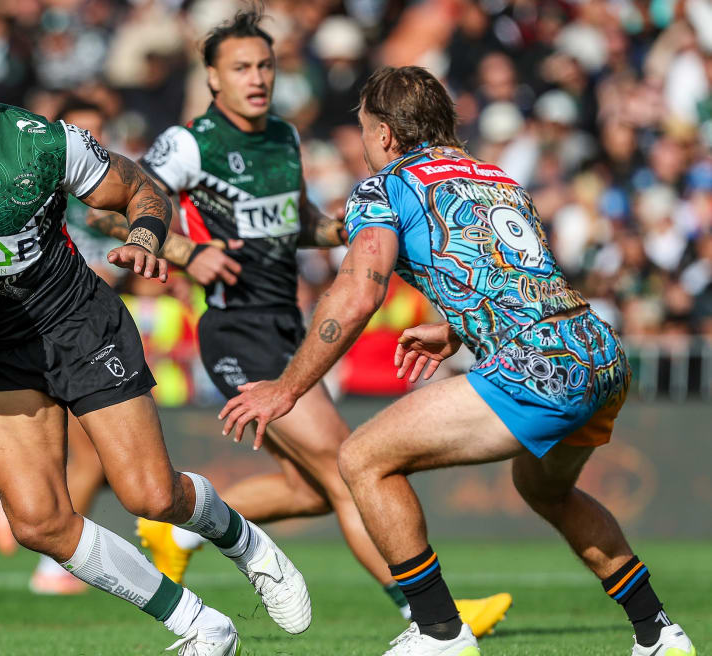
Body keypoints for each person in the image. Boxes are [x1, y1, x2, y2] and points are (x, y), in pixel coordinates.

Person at [0, 21, 311, 655]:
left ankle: (244, 542)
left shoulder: (43, 142)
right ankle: (199, 625)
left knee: (150, 494)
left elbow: (141, 189)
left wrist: (146, 238)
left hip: (75, 319)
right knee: (37, 522)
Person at [220, 66, 697, 656]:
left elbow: (357, 293)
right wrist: (455, 328)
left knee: (363, 458)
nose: (367, 144)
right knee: (545, 489)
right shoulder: (496, 178)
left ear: (387, 135)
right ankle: (658, 631)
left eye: (367, 130)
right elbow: (521, 277)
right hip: (600, 352)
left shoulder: (386, 185)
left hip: (538, 367)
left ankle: (440, 631)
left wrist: (286, 388)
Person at [87, 9, 510, 636]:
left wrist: (343, 229)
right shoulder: (190, 144)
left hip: (288, 325)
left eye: (264, 65)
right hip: (238, 332)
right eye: (240, 68)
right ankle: (429, 613)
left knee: (312, 489)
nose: (257, 78)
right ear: (211, 77)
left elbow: (298, 222)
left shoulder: (283, 136)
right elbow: (110, 211)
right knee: (348, 466)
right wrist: (182, 251)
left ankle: (174, 529)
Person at [0, 98, 115, 597]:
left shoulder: (101, 197)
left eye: (101, 130)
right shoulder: (35, 191)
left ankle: (12, 498)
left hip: (91, 331)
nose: (92, 140)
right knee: (92, 461)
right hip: (44, 332)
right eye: (85, 128)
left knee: (84, 458)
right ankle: (55, 567)